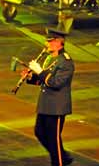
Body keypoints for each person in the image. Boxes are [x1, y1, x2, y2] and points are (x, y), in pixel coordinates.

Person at [26, 27, 74, 166]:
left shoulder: (66, 62)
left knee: (53, 139)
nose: (47, 44)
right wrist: (31, 76)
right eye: (47, 41)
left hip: (57, 106)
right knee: (39, 132)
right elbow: (42, 80)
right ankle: (62, 157)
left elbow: (56, 83)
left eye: (51, 42)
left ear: (59, 42)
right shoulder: (49, 58)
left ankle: (59, 160)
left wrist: (40, 71)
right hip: (45, 104)